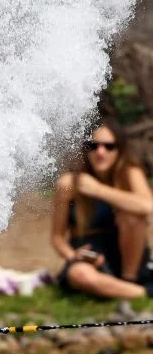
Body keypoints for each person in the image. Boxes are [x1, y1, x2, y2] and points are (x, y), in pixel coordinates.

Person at [51, 120, 153, 299]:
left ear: (119, 150)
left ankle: (127, 281)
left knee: (132, 215)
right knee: (80, 275)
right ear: (85, 149)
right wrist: (73, 256)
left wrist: (98, 190)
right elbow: (57, 238)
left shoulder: (129, 172)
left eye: (109, 146)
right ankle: (142, 293)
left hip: (127, 253)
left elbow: (147, 206)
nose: (100, 152)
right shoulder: (68, 184)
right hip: (89, 254)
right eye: (93, 146)